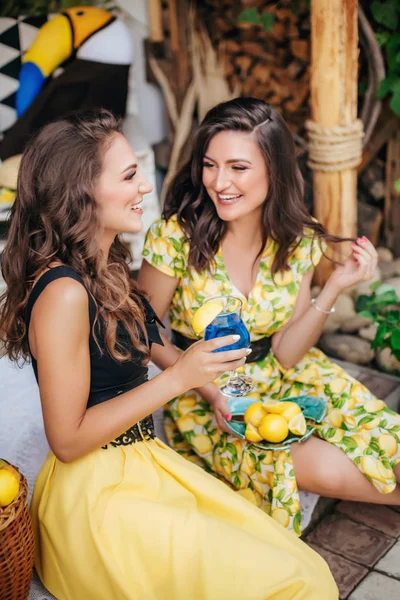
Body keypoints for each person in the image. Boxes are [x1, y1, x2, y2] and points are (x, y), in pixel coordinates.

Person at [0, 109, 338, 600]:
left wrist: (209, 388)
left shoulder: (103, 260)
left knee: (300, 565)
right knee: (293, 585)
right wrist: (178, 380)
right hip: (95, 497)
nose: (144, 188)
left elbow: (146, 338)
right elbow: (68, 440)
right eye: (130, 175)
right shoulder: (63, 293)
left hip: (140, 462)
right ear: (83, 191)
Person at [139, 97, 400, 536]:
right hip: (209, 395)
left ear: (273, 170)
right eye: (210, 164)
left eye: (238, 167)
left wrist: (334, 284)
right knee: (330, 471)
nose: (219, 182)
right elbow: (142, 330)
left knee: (389, 444)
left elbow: (287, 352)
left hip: (292, 377)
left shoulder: (297, 239)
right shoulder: (174, 237)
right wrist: (211, 393)